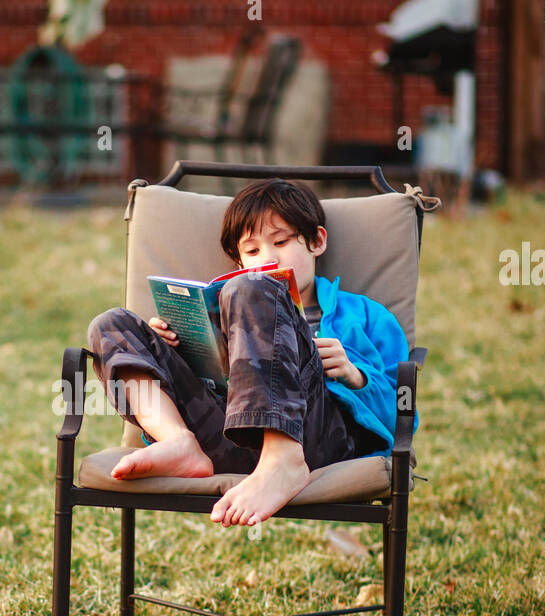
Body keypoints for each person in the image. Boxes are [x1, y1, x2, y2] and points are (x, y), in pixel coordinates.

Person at [86, 177, 416, 528]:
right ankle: (178, 443)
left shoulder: (365, 316)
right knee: (111, 326)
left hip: (313, 443)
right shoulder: (235, 297)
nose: (269, 259)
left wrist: (356, 376)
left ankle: (282, 458)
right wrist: (165, 352)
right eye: (253, 251)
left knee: (256, 289)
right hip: (225, 438)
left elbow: (404, 413)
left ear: (316, 241)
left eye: (281, 241)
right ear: (238, 259)